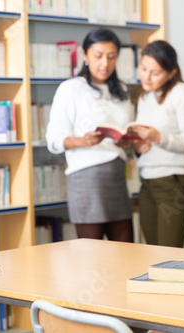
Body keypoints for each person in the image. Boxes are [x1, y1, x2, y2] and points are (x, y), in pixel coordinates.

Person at [46, 28, 134, 242]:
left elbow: (125, 133)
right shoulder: (70, 89)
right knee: (90, 253)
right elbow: (54, 139)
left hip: (116, 174)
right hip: (85, 177)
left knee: (126, 252)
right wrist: (83, 141)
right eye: (98, 56)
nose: (105, 63)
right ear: (85, 55)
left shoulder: (121, 90)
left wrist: (125, 141)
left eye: (112, 57)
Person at [128, 40, 184, 248]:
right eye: (143, 69)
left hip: (174, 182)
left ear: (171, 73)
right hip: (147, 182)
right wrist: (138, 146)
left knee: (168, 255)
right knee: (153, 252)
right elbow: (148, 142)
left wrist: (159, 137)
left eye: (155, 72)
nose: (146, 77)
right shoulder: (146, 97)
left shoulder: (181, 93)